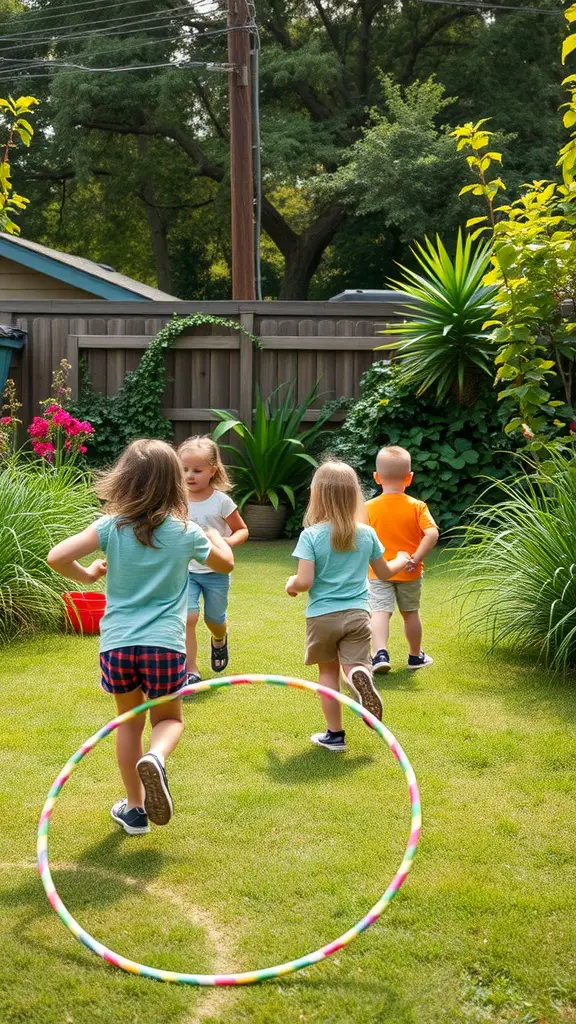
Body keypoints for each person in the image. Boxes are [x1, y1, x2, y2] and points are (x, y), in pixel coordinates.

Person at [47, 438, 234, 836]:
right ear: (174, 484)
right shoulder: (185, 531)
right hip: (164, 645)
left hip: (117, 644)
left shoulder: (111, 527)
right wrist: (212, 535)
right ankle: (157, 757)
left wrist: (89, 575)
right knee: (168, 719)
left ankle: (135, 809)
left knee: (128, 723)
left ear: (124, 480)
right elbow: (226, 562)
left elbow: (57, 557)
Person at [286, 461, 411, 752]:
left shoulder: (312, 536)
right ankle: (361, 681)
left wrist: (291, 584)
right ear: (355, 495)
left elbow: (304, 581)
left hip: (323, 616)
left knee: (328, 672)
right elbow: (384, 573)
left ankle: (335, 735)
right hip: (358, 614)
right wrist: (403, 559)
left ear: (316, 495)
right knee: (354, 665)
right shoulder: (366, 534)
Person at [178, 435, 248, 682]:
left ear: (213, 471)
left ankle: (219, 637)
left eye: (197, 470)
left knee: (214, 619)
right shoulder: (177, 500)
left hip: (216, 572)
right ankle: (191, 671)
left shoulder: (221, 501)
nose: (190, 475)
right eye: (184, 469)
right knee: (188, 616)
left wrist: (225, 542)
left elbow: (242, 530)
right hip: (186, 571)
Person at [366, 446, 439, 674]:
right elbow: (432, 533)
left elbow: (361, 537)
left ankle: (379, 654)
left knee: (379, 612)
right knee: (410, 613)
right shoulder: (417, 506)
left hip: (378, 571)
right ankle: (415, 656)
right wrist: (416, 558)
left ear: (377, 478)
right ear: (409, 478)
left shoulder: (367, 508)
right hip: (409, 571)